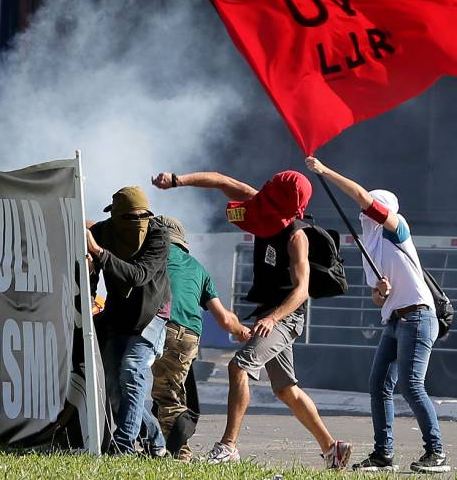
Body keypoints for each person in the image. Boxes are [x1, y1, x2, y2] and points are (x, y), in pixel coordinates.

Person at [152, 170, 351, 469]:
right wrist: (177, 180)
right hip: (267, 315)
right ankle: (331, 448)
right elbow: (221, 180)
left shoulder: (297, 237)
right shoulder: (260, 202)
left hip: (286, 316)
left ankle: (229, 446)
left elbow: (301, 291)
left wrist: (272, 318)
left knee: (238, 365)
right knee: (285, 389)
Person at [306, 157, 450, 474]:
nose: (363, 214)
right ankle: (383, 454)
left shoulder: (397, 230)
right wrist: (381, 292)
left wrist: (325, 172)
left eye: (371, 208)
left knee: (412, 385)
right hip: (396, 320)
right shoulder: (369, 243)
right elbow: (375, 298)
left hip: (418, 317)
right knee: (378, 386)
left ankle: (436, 453)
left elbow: (361, 197)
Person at [149, 215, 252, 461]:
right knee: (174, 390)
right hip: (189, 338)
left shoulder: (152, 256)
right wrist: (241, 331)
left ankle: (179, 453)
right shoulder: (197, 267)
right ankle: (163, 444)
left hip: (161, 328)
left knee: (164, 395)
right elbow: (225, 320)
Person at [86, 186, 170, 455]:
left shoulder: (158, 235)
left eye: (142, 217)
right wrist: (89, 289)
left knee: (132, 370)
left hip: (152, 314)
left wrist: (99, 252)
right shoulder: (103, 231)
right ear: (115, 216)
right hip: (119, 314)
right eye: (129, 218)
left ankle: (123, 447)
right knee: (112, 384)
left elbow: (138, 276)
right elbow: (90, 268)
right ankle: (156, 441)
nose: (137, 224)